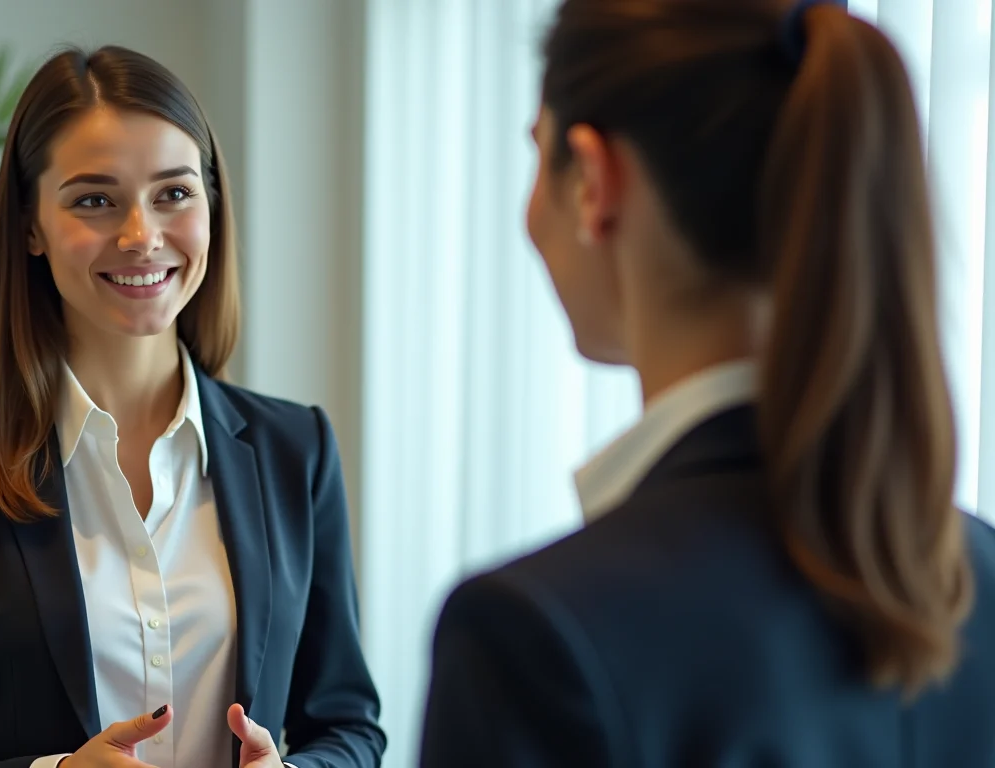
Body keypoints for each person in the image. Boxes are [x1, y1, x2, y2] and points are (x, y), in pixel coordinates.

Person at [419, 0, 995, 765]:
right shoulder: (978, 575)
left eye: (537, 153)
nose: (529, 214)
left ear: (593, 180)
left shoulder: (533, 636)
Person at [0, 46, 384, 768]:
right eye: (95, 199)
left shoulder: (296, 449)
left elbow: (348, 727)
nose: (141, 235)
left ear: (212, 206)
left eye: (174, 193)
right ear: (30, 226)